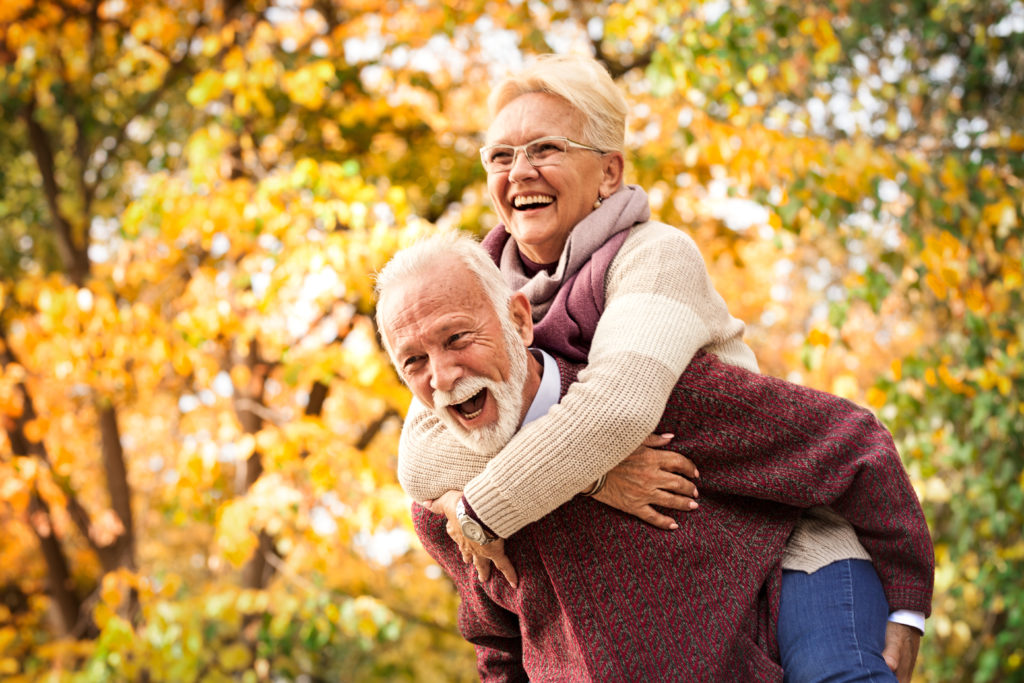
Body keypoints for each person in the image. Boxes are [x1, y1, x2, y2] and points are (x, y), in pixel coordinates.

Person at [394, 54, 931, 681]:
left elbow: (617, 409)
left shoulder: (653, 256)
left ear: (608, 172)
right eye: (500, 156)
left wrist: (480, 510)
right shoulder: (472, 303)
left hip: (779, 529)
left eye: (545, 149)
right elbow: (422, 460)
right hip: (684, 560)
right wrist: (594, 477)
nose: (520, 172)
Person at [374, 234, 934, 681]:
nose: (443, 377)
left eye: (457, 339)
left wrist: (908, 606)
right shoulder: (444, 513)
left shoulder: (663, 401)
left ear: (520, 321)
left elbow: (851, 444)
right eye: (414, 362)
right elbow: (498, 644)